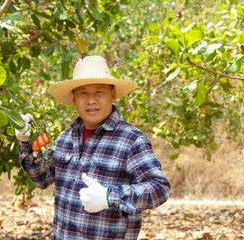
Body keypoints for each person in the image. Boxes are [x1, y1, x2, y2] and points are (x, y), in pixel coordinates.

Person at [16, 55, 171, 239]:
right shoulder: (66, 139)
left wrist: (109, 196)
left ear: (112, 95)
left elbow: (159, 188)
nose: (91, 100)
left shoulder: (131, 140)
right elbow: (41, 178)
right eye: (83, 93)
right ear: (74, 98)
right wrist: (26, 142)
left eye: (99, 92)